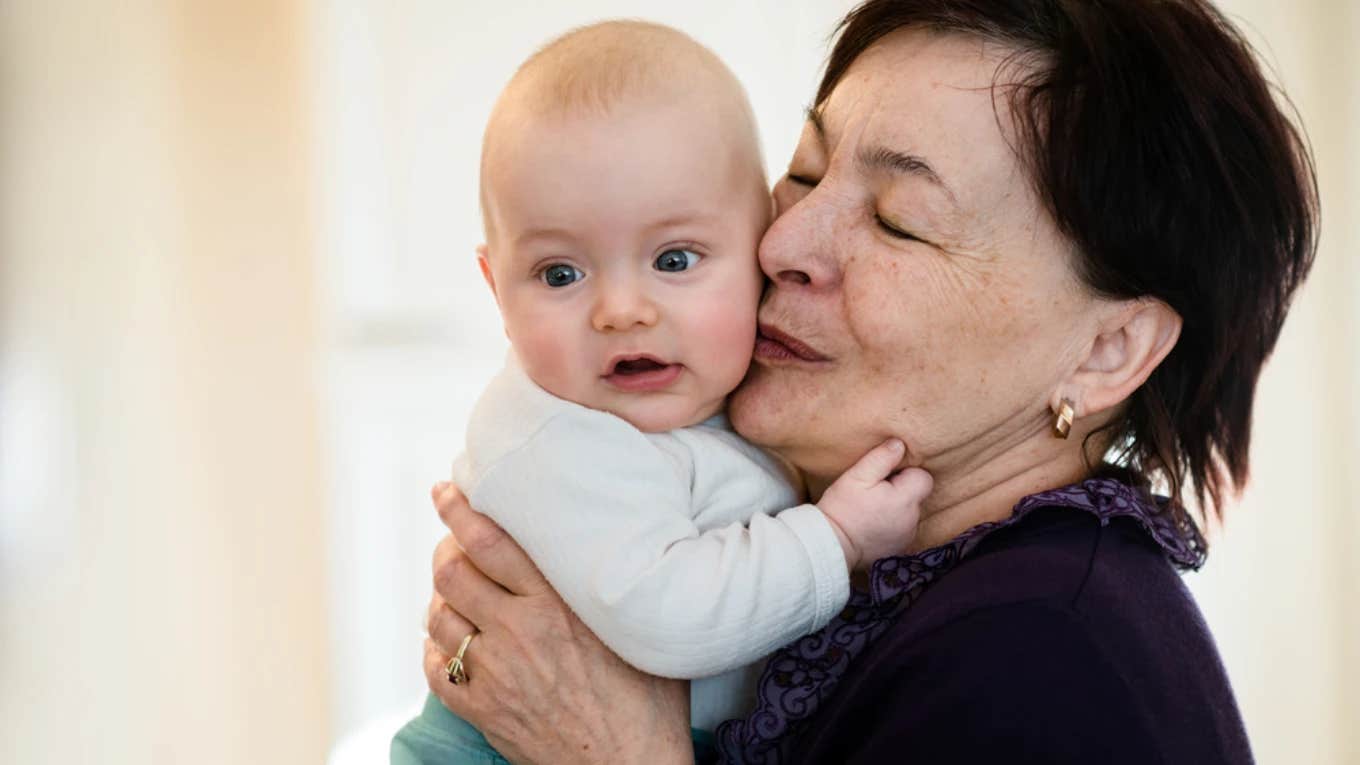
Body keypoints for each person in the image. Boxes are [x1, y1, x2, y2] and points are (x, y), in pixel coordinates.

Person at [419, 0, 1317, 762]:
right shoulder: (886, 575)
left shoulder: (1043, 658)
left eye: (898, 222)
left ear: (1108, 349)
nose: (781, 243)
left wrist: (617, 749)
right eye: (805, 173)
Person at [391, 20, 931, 764]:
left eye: (674, 259)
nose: (622, 309)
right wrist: (833, 540)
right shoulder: (557, 438)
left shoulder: (730, 396)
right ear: (495, 289)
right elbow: (671, 616)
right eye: (559, 274)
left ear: (760, 248)